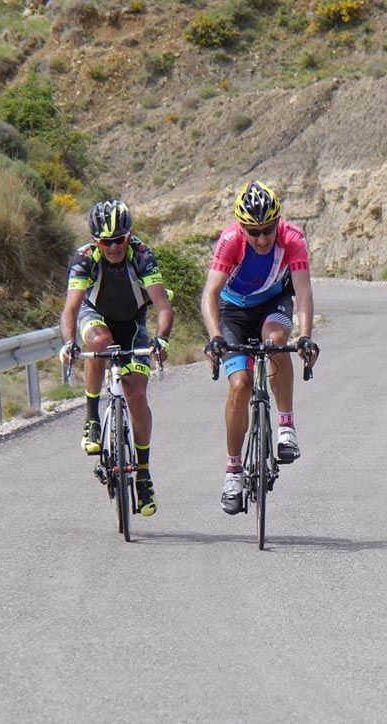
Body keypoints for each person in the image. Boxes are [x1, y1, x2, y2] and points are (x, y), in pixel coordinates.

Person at [201, 181, 319, 515]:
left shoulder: (292, 238)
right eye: (254, 232)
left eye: (268, 229)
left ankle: (285, 427)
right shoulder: (230, 241)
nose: (263, 238)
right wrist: (214, 336)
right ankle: (233, 471)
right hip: (233, 311)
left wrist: (306, 336)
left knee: (276, 342)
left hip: (273, 303)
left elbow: (304, 293)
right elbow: (209, 294)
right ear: (242, 228)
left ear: (277, 222)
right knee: (239, 385)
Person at [59, 199, 174, 517]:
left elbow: (163, 306)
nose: (112, 247)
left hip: (132, 323)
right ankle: (92, 417)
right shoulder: (85, 258)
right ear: (96, 240)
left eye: (118, 239)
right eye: (105, 241)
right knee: (100, 342)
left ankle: (144, 474)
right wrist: (69, 343)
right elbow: (70, 309)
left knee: (136, 395)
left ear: (129, 235)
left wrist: (161, 339)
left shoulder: (142, 255)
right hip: (95, 317)